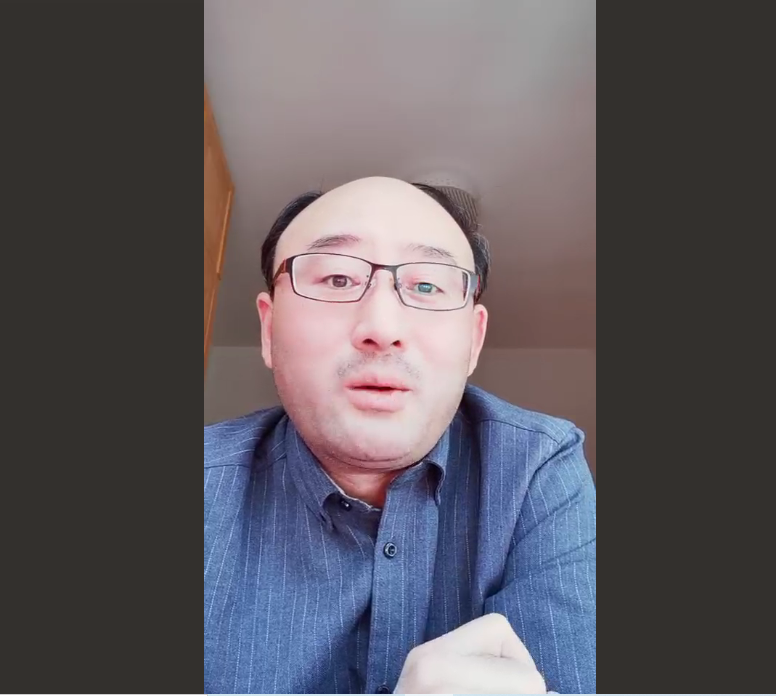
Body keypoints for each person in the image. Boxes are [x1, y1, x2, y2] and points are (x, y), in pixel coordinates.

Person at [204, 176, 596, 694]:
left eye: (427, 286)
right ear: (268, 328)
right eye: (337, 279)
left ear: (474, 340)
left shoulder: (537, 469)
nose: (382, 327)